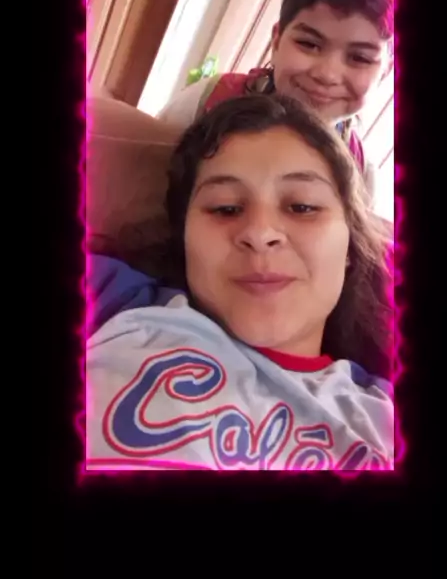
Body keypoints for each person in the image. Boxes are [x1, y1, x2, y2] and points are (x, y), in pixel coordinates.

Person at [86, 94, 394, 472]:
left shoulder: (382, 420)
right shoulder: (118, 301)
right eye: (226, 208)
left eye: (302, 207)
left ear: (349, 246)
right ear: (184, 237)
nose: (260, 233)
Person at [156, 0, 393, 205]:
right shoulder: (205, 101)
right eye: (309, 44)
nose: (327, 74)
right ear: (277, 41)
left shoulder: (361, 179)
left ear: (385, 72)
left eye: (359, 58)